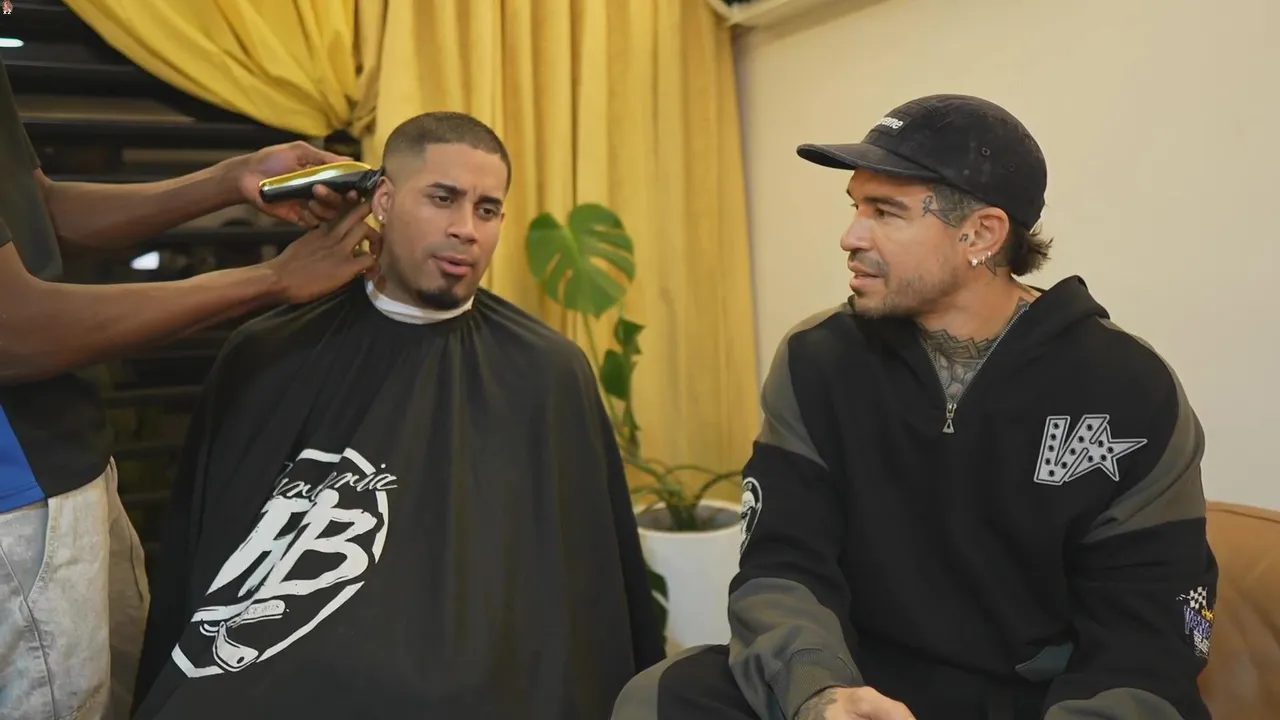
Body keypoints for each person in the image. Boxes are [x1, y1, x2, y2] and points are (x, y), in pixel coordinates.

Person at [612, 94, 1217, 720]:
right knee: (664, 696)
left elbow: (1148, 639)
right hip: (858, 683)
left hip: (1039, 704)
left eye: (885, 212)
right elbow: (783, 563)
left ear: (980, 234)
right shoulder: (819, 360)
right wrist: (819, 691)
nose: (850, 236)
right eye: (855, 207)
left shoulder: (1126, 387)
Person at [129, 110, 666, 719]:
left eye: (487, 210)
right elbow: (211, 565)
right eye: (443, 199)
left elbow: (584, 608)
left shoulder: (548, 373)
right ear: (383, 199)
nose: (466, 229)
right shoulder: (270, 352)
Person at [0, 58, 380, 720]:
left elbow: (41, 217)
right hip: (17, 499)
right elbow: (13, 331)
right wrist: (270, 280)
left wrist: (229, 181)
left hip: (74, 463)